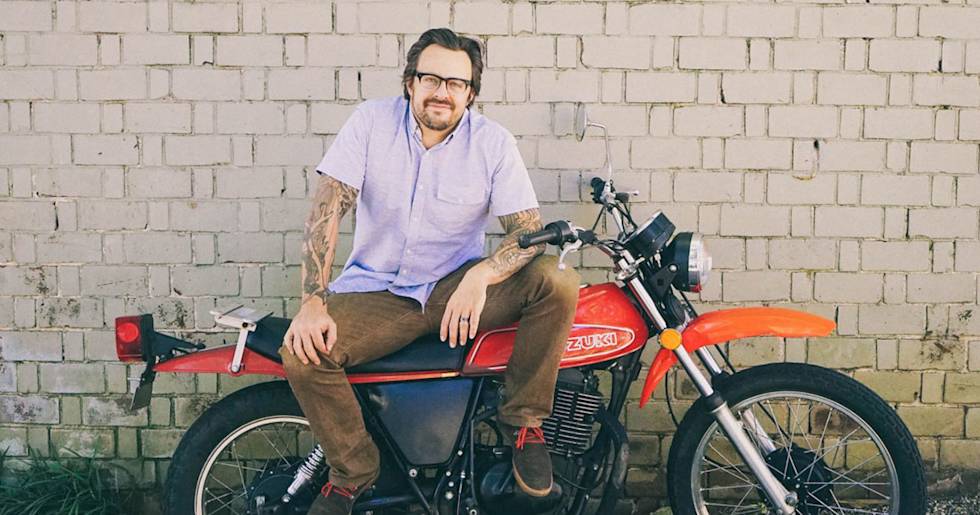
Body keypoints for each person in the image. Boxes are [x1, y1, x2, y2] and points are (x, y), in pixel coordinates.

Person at [279, 28, 581, 515]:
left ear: (470, 94)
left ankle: (523, 421)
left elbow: (526, 230)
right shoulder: (370, 123)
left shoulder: (492, 143)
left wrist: (480, 277)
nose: (442, 91)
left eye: (456, 83)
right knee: (303, 354)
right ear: (410, 82)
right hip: (378, 293)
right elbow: (327, 210)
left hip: (456, 292)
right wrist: (313, 299)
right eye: (431, 78)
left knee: (559, 280)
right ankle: (353, 471)